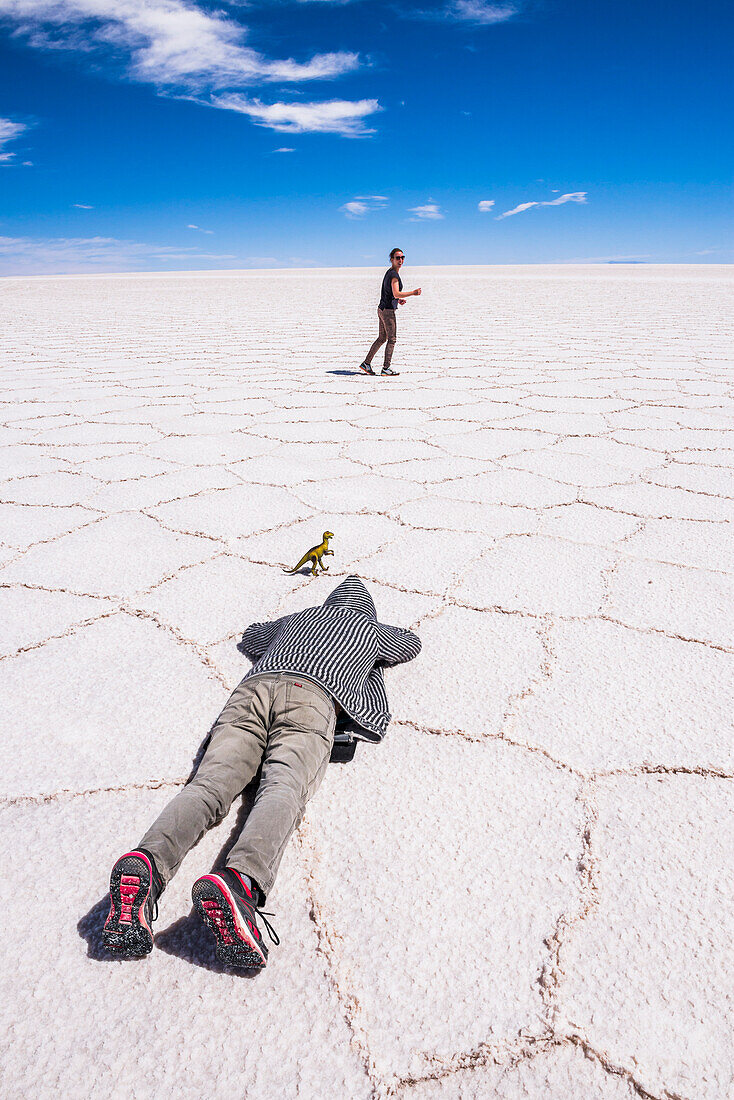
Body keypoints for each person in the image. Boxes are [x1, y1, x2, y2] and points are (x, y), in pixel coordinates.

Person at [102, 576, 422, 969]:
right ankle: (239, 882)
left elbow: (253, 636)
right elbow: (410, 645)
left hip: (252, 691)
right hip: (314, 695)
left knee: (208, 786)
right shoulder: (369, 629)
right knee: (282, 788)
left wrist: (293, 628)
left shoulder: (298, 618)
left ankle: (148, 863)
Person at [359, 247, 422, 376]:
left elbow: (391, 294)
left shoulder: (390, 272)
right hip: (387, 312)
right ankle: (386, 368)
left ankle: (366, 363)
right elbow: (396, 292)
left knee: (382, 338)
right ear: (392, 259)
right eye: (397, 258)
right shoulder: (393, 274)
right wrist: (413, 293)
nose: (400, 260)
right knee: (391, 339)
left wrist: (397, 300)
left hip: (381, 309)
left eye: (402, 257)